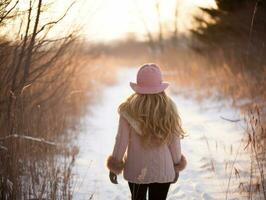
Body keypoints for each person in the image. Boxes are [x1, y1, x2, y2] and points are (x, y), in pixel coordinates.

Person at [106, 63, 187, 200]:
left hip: (136, 170)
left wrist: (115, 166)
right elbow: (175, 142)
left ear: (138, 85)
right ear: (160, 85)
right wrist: (176, 165)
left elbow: (121, 141)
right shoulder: (169, 109)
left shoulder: (128, 110)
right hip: (163, 168)